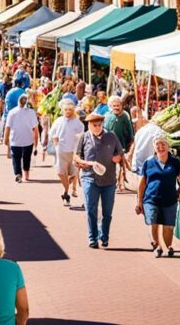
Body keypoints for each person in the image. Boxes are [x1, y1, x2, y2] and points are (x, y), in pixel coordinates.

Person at [73, 112, 123, 248]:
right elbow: (76, 157)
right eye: (94, 125)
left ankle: (104, 235)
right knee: (91, 209)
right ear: (89, 125)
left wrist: (117, 158)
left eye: (99, 125)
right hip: (89, 178)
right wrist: (87, 163)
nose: (97, 128)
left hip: (109, 180)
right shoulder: (84, 137)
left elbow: (120, 152)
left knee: (107, 211)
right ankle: (92, 238)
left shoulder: (111, 136)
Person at [136, 134, 180, 257]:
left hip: (170, 199)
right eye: (157, 145)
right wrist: (139, 202)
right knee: (153, 222)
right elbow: (142, 183)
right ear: (154, 147)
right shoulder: (148, 162)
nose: (160, 147)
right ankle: (157, 246)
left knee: (168, 226)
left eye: (163, 144)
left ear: (168, 146)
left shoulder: (175, 162)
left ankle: (168, 247)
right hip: (151, 198)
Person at [50, 100, 84, 206]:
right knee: (60, 173)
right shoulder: (58, 120)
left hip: (73, 152)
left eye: (70, 109)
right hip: (61, 150)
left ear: (73, 110)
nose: (68, 111)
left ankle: (66, 191)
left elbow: (82, 135)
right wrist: (56, 144)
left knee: (73, 174)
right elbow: (52, 133)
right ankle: (66, 192)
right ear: (62, 110)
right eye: (66, 109)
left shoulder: (78, 123)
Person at [3, 94, 40, 183]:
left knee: (16, 158)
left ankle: (18, 174)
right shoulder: (31, 112)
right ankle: (26, 175)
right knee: (27, 157)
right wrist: (36, 141)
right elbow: (35, 129)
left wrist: (5, 139)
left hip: (15, 140)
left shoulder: (12, 112)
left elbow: (7, 127)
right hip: (28, 139)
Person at [103, 95, 135, 192]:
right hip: (109, 145)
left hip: (121, 145)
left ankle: (121, 184)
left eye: (118, 105)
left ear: (121, 106)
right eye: (114, 106)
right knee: (111, 165)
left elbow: (130, 132)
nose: (116, 107)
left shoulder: (125, 116)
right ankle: (113, 183)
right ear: (111, 106)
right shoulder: (107, 116)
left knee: (121, 165)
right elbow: (104, 130)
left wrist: (131, 143)